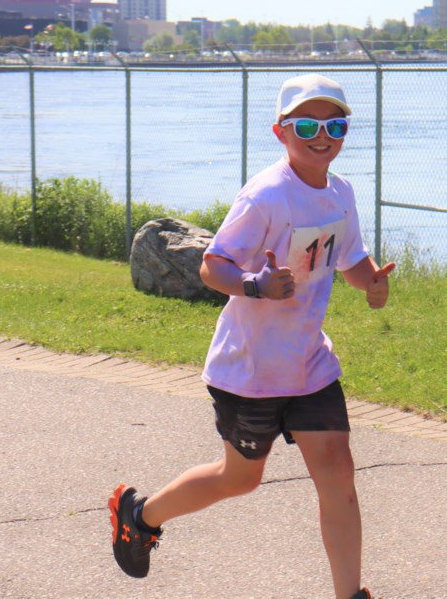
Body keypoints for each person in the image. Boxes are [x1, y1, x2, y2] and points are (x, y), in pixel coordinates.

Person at [109, 73, 395, 599]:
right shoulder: (264, 196)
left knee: (338, 475)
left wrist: (370, 282)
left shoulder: (342, 192)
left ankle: (350, 595)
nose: (322, 134)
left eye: (335, 124)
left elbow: (350, 259)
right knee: (239, 478)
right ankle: (141, 515)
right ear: (280, 131)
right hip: (250, 371)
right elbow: (212, 267)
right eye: (306, 123)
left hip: (309, 364)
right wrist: (255, 286)